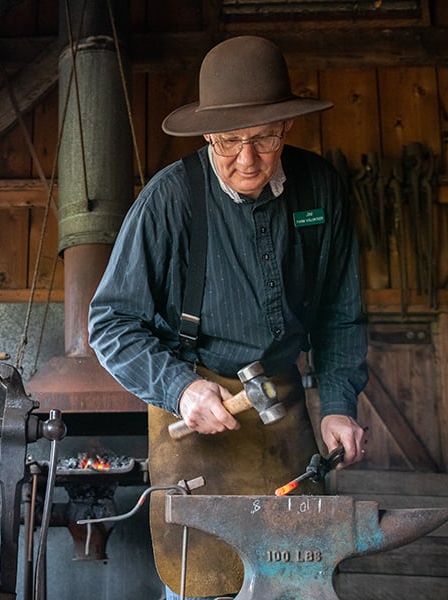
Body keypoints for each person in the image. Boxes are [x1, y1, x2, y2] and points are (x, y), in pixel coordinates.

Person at [88, 36, 369, 599]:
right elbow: (110, 323)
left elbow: (341, 315)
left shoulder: (321, 190)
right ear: (207, 134)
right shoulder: (169, 201)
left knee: (296, 583)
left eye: (263, 138)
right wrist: (182, 388)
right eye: (229, 141)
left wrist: (338, 406)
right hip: (196, 426)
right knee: (205, 585)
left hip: (283, 415)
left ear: (285, 128)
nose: (248, 159)